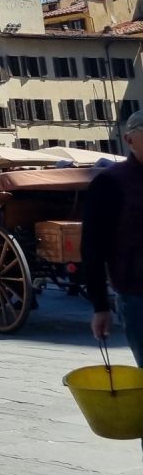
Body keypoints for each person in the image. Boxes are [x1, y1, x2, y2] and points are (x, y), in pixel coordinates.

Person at [84, 111, 143, 375]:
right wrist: (100, 306)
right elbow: (93, 247)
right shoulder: (110, 183)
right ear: (130, 140)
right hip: (137, 294)